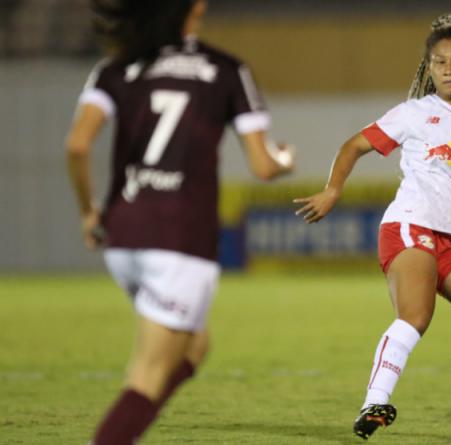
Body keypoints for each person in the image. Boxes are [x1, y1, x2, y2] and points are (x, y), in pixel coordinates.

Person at [65, 1, 294, 443]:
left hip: (123, 236)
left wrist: (88, 211)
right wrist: (283, 161)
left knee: (194, 347)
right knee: (148, 376)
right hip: (179, 239)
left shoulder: (118, 67)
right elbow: (263, 166)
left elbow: (77, 145)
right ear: (195, 9)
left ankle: (130, 423)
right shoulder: (226, 69)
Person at [295, 14, 451, 443]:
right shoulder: (414, 114)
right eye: (439, 62)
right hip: (409, 226)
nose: (448, 70)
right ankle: (374, 403)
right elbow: (355, 145)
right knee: (417, 315)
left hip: (450, 244)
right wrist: (333, 189)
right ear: (429, 67)